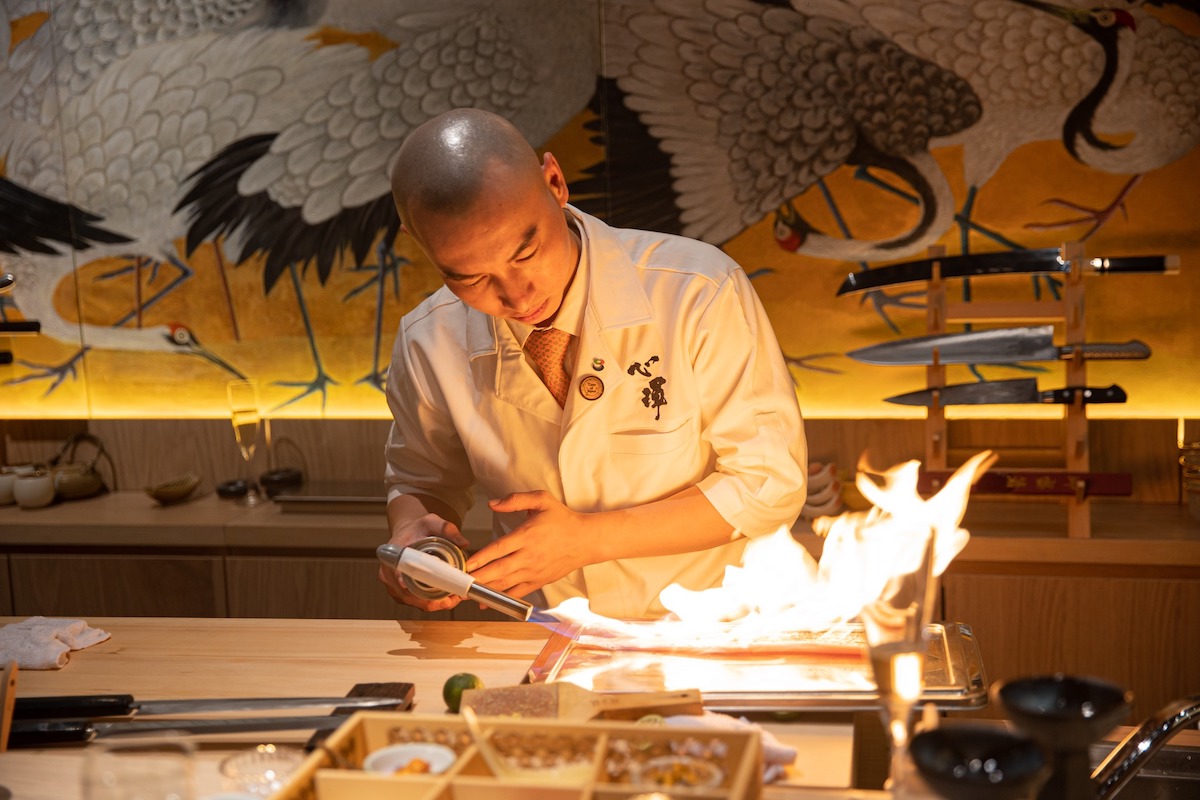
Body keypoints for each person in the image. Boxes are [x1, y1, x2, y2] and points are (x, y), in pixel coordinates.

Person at [379, 108, 807, 620]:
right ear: (417, 241)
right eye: (470, 278)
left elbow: (766, 483)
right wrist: (411, 535)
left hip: (706, 630)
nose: (516, 296)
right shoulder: (428, 339)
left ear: (555, 183)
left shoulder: (697, 290)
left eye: (526, 251)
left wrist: (588, 540)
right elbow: (422, 482)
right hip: (540, 635)